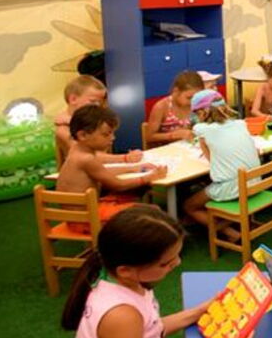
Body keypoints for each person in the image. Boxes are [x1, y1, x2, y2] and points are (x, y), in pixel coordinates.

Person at [63, 205, 252, 338]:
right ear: (126, 270)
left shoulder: (125, 281)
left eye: (177, 256)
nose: (177, 263)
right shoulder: (121, 316)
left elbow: (151, 329)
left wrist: (199, 312)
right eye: (165, 263)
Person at [56, 106, 167, 231]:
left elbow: (102, 172)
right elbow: (118, 185)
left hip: (79, 216)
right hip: (86, 220)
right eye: (106, 134)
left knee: (132, 198)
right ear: (83, 135)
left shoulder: (77, 150)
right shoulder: (86, 159)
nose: (112, 138)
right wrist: (149, 177)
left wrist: (134, 168)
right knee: (152, 212)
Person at [182, 90, 261, 242]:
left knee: (189, 206)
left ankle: (230, 232)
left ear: (203, 112)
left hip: (232, 188)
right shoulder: (240, 124)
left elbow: (211, 160)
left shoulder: (201, 129)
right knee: (212, 183)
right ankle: (233, 223)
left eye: (196, 113)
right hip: (255, 183)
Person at [55, 75, 140, 165]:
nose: (98, 106)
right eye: (93, 101)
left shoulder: (94, 120)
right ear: (73, 99)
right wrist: (125, 158)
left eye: (100, 102)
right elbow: (87, 157)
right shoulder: (63, 129)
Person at [145, 70, 203, 146]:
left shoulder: (196, 105)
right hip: (167, 149)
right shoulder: (162, 107)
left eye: (196, 98)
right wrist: (173, 135)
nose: (192, 101)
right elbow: (149, 137)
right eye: (189, 98)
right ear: (176, 91)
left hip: (189, 147)